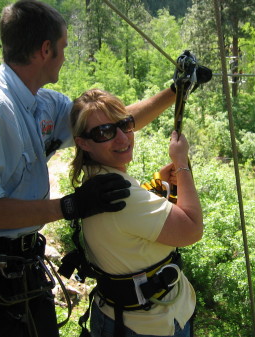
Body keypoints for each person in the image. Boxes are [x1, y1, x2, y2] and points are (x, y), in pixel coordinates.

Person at [0, 1, 180, 336]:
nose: (65, 54)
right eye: (63, 48)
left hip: (19, 265)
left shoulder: (42, 102)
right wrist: (71, 206)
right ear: (46, 50)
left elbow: (110, 124)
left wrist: (175, 91)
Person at [69, 88, 203, 337]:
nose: (122, 138)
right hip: (149, 325)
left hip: (124, 317)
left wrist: (157, 185)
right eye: (104, 132)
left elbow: (128, 218)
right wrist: (182, 163)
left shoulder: (97, 185)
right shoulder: (124, 197)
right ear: (83, 142)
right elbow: (192, 229)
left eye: (125, 124)